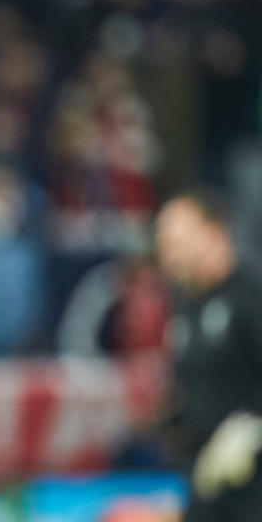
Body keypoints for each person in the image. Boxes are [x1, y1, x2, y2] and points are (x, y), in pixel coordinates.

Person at [155, 191, 262, 521]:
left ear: (214, 234)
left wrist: (251, 430)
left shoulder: (251, 298)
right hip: (205, 492)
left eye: (177, 241)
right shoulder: (185, 312)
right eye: (163, 244)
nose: (168, 254)